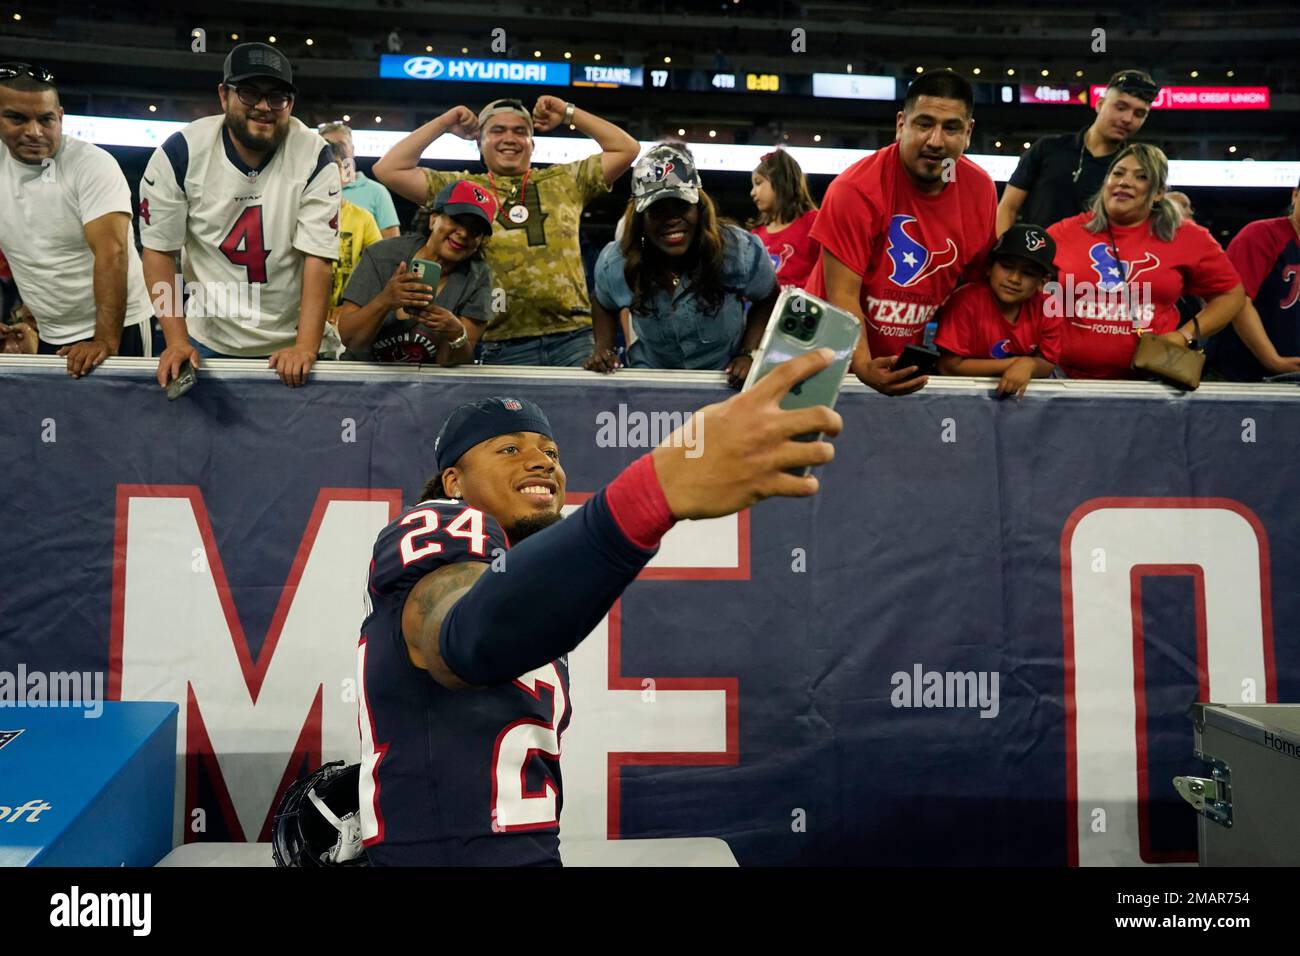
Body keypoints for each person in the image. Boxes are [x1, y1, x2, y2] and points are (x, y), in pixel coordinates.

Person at [356, 351, 843, 865]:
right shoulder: (443, 524)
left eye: (550, 451)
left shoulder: (528, 580)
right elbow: (466, 640)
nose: (542, 460)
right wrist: (652, 493)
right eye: (509, 449)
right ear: (454, 482)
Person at [372, 97, 639, 366]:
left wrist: (568, 112)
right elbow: (388, 169)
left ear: (532, 145)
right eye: (497, 130)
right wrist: (445, 122)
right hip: (500, 341)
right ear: (479, 143)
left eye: (520, 131)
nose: (509, 138)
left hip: (572, 337)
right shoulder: (461, 188)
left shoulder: (566, 180)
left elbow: (626, 148)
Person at [139, 43, 340, 388]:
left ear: (290, 104)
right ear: (223, 95)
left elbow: (317, 259)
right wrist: (176, 339)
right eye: (249, 93)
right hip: (209, 338)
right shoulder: (180, 153)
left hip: (290, 341)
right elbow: (160, 253)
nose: (263, 107)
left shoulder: (314, 155)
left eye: (277, 97)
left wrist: (305, 346)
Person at [807, 69, 997, 396]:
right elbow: (843, 296)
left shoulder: (980, 190)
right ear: (900, 125)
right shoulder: (854, 189)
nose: (935, 141)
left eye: (951, 128)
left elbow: (974, 288)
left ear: (969, 132)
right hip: (818, 354)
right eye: (924, 124)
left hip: (903, 366)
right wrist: (863, 365)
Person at [0, 62, 155, 376]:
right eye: (17, 118)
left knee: (118, 421)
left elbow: (113, 253)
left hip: (116, 326)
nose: (34, 132)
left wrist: (105, 342)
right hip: (48, 328)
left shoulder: (92, 165)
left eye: (46, 119)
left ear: (60, 116)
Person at [585, 143, 778, 388]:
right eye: (657, 209)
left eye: (681, 205)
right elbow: (603, 302)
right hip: (652, 378)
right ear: (640, 218)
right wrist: (604, 348)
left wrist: (749, 353)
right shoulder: (616, 260)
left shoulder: (738, 250)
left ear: (698, 206)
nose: (672, 219)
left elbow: (767, 296)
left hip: (723, 376)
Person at [1046, 144, 1245, 379]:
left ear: (1158, 192)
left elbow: (1231, 295)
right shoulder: (1063, 233)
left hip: (1150, 380)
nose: (1125, 182)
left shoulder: (1187, 238)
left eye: (1141, 177)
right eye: (1117, 173)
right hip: (1066, 379)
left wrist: (1185, 335)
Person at [336, 180, 494, 365]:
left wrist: (455, 334)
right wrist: (385, 301)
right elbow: (351, 340)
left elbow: (447, 362)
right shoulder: (383, 255)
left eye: (475, 230)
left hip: (428, 388)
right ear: (433, 219)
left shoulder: (477, 277)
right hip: (363, 381)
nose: (464, 233)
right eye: (457, 220)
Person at [997, 69, 1158, 236]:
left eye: (1139, 114)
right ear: (1100, 104)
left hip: (1092, 260)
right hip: (1034, 258)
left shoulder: (1132, 171)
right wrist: (1005, 255)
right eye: (1121, 107)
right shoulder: (1048, 148)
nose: (1127, 119)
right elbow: (1008, 207)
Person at [935, 223, 1062, 398]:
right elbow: (948, 367)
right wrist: (1018, 363)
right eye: (1007, 267)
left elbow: (1047, 363)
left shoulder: (1050, 307)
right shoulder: (966, 301)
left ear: (1043, 281)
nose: (1014, 279)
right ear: (989, 267)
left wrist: (1030, 366)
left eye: (1028, 273)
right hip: (963, 399)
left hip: (1020, 402)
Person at [1205, 182, 1300, 380]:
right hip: (1243, 377)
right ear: (1295, 195)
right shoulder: (1261, 235)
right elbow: (1237, 300)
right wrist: (1273, 360)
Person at [324, 139, 383, 357]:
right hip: (300, 320)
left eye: (333, 167)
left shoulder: (362, 218)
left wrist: (351, 308)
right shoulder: (293, 214)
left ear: (344, 171)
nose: (325, 174)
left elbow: (379, 271)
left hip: (344, 321)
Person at [749, 148, 820, 289]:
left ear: (780, 181)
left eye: (758, 183)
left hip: (800, 308)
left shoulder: (813, 222)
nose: (752, 192)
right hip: (763, 309)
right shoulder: (756, 234)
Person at [317, 122, 401, 238]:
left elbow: (392, 242)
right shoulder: (308, 189)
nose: (334, 150)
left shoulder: (377, 192)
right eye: (327, 144)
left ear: (353, 150)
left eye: (341, 144)